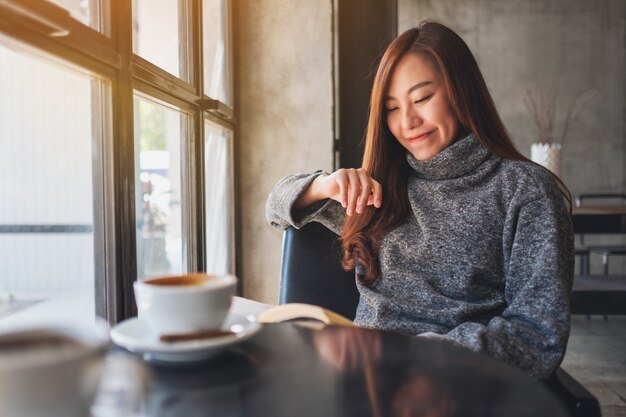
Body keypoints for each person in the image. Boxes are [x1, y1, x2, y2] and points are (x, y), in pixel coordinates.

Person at [266, 20, 574, 380]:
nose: (408, 122)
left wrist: (428, 356)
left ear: (462, 92)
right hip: (363, 380)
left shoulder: (525, 191)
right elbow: (275, 207)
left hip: (460, 384)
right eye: (392, 108)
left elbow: (537, 334)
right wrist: (324, 185)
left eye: (422, 98)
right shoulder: (378, 187)